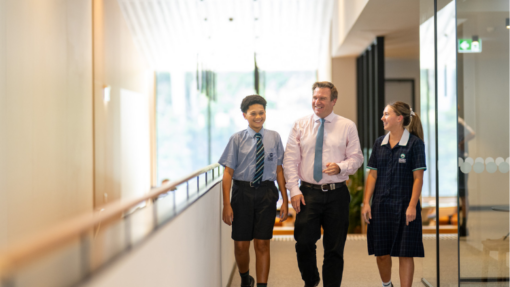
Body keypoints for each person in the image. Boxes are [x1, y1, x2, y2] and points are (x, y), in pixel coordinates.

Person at [283, 81, 363, 287]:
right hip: (308, 193)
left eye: (322, 98)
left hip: (337, 193)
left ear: (333, 101)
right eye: (315, 97)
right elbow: (290, 161)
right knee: (304, 243)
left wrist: (340, 167)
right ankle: (311, 281)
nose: (317, 102)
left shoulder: (347, 126)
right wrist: (293, 190)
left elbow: (357, 158)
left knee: (334, 248)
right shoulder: (300, 125)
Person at [219, 95, 289, 287]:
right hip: (242, 193)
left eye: (261, 112)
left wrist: (285, 199)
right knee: (241, 245)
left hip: (267, 192)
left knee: (262, 243)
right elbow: (228, 173)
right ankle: (244, 278)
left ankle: (262, 285)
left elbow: (279, 170)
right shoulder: (236, 139)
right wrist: (227, 204)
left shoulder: (274, 137)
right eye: (253, 113)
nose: (258, 116)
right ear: (245, 115)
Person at [361, 101, 426, 287]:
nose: (382, 117)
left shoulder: (415, 144)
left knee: (405, 253)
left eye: (386, 114)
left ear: (400, 118)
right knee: (381, 253)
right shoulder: (378, 143)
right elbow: (372, 174)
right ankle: (387, 285)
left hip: (406, 206)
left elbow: (418, 178)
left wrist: (412, 205)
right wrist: (366, 202)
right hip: (380, 206)